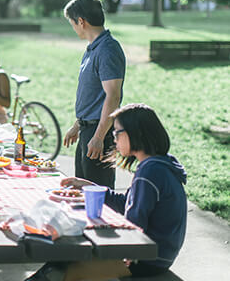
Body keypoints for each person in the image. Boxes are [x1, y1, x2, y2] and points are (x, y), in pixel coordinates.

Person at [26, 103, 187, 281]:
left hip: (148, 258)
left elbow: (134, 223)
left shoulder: (150, 172)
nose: (114, 138)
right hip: (159, 254)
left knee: (68, 260)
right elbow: (128, 202)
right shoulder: (158, 164)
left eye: (117, 132)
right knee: (61, 259)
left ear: (135, 133)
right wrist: (89, 186)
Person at [62, 0, 125, 189]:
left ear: (81, 21)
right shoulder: (92, 49)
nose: (73, 29)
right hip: (87, 131)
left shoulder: (108, 49)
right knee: (82, 193)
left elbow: (112, 96)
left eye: (72, 24)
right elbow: (94, 96)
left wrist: (98, 137)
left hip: (100, 133)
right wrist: (78, 125)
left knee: (98, 196)